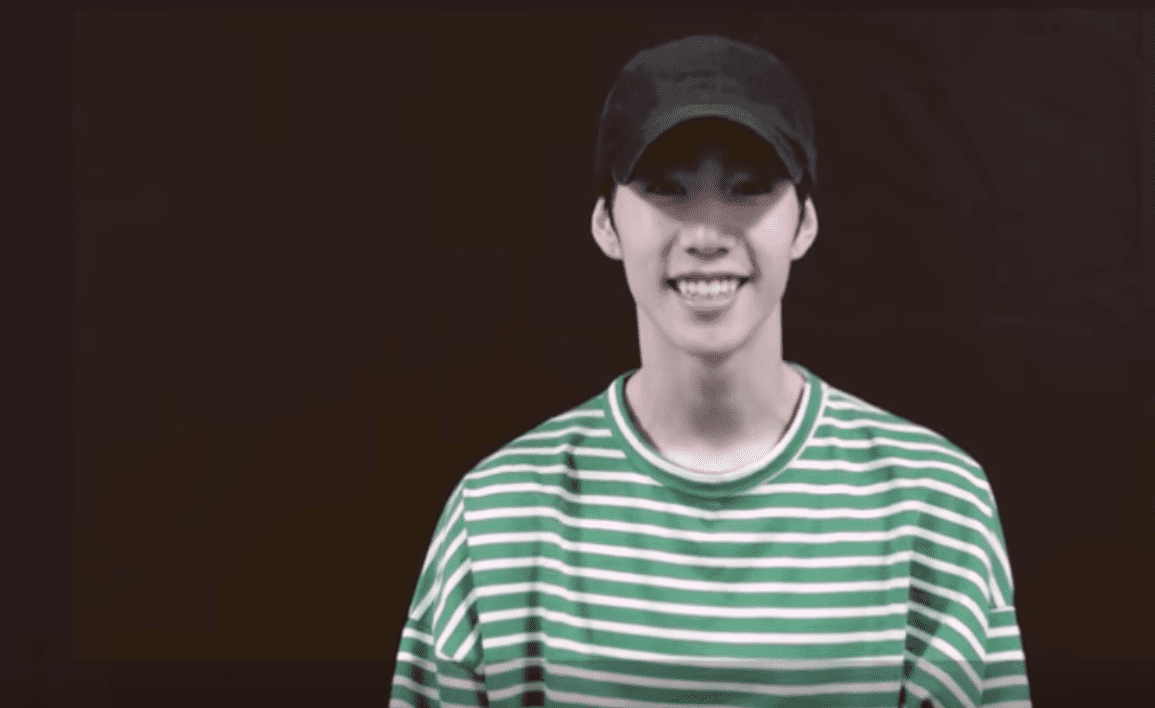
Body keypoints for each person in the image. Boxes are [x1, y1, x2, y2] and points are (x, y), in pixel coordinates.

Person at [390, 34, 1031, 708]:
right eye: (665, 189)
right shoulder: (498, 516)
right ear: (606, 223)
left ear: (805, 223)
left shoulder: (933, 503)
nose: (705, 236)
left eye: (749, 189)